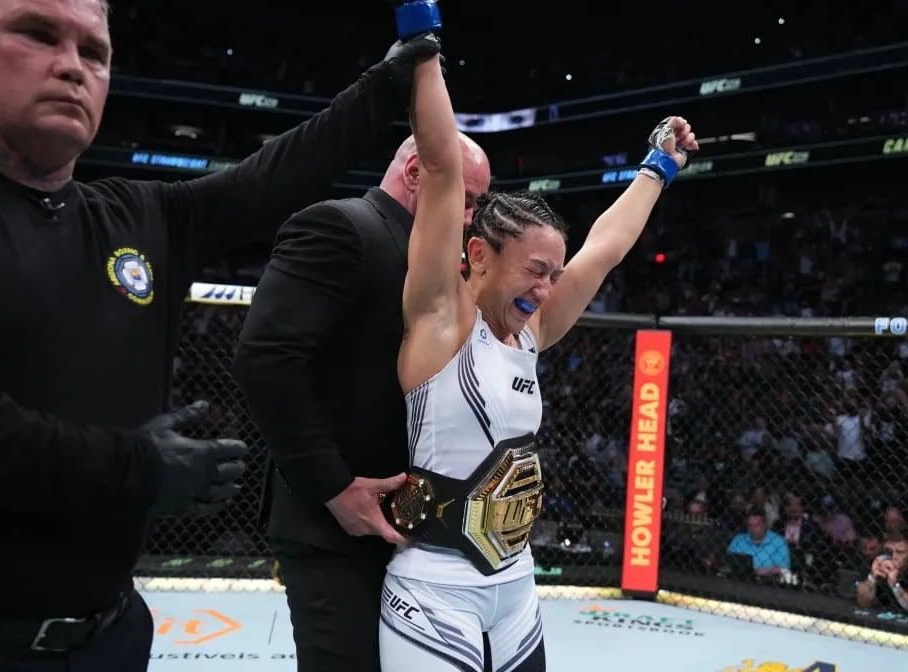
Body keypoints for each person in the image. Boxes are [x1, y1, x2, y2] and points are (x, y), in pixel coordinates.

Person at [0, 0, 439, 669]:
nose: (71, 67)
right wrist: (135, 468)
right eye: (37, 34)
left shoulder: (131, 216)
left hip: (111, 633)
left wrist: (384, 87)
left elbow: (268, 182)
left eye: (94, 53)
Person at [376, 52, 698, 671]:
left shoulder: (531, 331)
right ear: (479, 254)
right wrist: (423, 50)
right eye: (534, 271)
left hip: (517, 588)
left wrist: (658, 167)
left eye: (553, 273)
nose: (547, 289)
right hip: (436, 591)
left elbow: (604, 248)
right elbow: (441, 166)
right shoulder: (441, 323)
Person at [232, 79, 491, 672]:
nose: (470, 214)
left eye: (476, 202)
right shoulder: (340, 227)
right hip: (334, 528)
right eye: (466, 195)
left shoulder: (446, 269)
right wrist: (333, 486)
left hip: (414, 533)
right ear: (414, 173)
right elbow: (266, 358)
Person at [727, 508, 792, 578]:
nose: (753, 529)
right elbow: (726, 561)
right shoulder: (739, 539)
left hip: (768, 583)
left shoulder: (779, 542)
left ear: (766, 525)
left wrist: (768, 571)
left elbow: (785, 570)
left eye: (757, 525)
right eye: (750, 525)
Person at [856, 531, 908, 612]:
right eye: (889, 551)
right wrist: (872, 577)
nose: (893, 556)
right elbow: (863, 602)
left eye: (900, 552)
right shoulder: (876, 562)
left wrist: (894, 585)